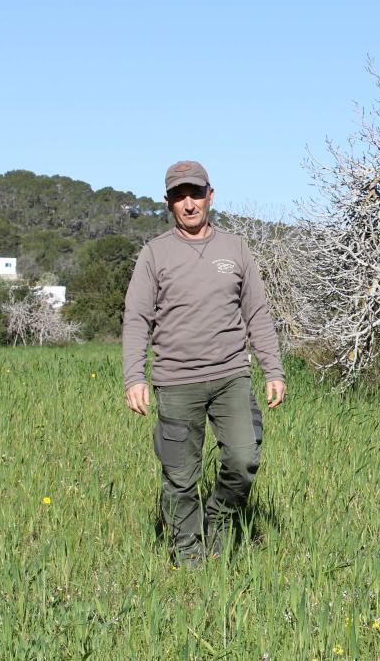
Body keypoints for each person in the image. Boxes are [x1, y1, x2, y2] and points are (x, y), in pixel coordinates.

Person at [122, 160, 286, 566]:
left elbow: (257, 313)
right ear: (168, 203)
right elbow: (136, 317)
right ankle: (189, 561)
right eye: (180, 196)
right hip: (176, 382)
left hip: (231, 376)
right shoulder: (154, 253)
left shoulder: (236, 249)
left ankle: (219, 517)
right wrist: (134, 377)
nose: (189, 203)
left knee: (243, 460)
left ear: (211, 196)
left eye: (196, 194)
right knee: (180, 478)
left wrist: (273, 369)